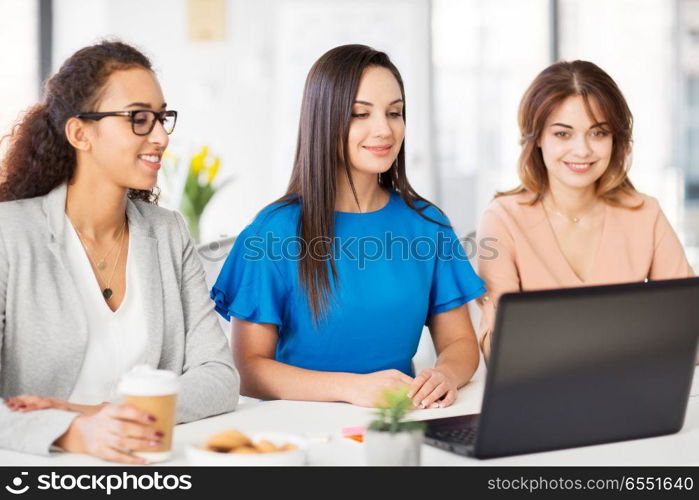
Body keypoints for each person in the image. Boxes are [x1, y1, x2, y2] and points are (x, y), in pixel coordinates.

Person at [0, 41, 239, 463]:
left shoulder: (167, 233)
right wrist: (73, 433)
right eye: (139, 119)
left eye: (163, 118)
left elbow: (219, 377)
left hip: (151, 464)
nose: (162, 136)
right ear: (80, 133)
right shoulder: (10, 234)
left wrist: (99, 414)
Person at [212, 44, 485, 410]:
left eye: (395, 113)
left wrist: (445, 376)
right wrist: (351, 388)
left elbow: (460, 344)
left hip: (397, 421)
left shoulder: (427, 224)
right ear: (324, 120)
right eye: (360, 114)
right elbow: (249, 369)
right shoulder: (273, 232)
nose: (384, 129)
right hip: (298, 428)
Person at [476, 60, 694, 361]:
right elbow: (497, 350)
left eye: (599, 133)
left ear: (615, 138)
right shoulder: (503, 219)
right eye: (563, 134)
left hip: (631, 390)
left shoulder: (645, 213)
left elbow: (689, 329)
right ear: (537, 137)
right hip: (543, 396)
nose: (582, 151)